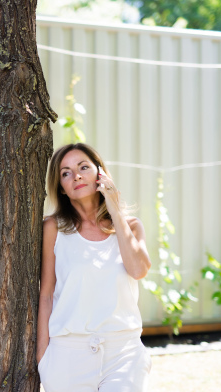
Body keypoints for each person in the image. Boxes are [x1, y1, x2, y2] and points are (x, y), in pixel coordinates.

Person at [37, 143, 152, 392]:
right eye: (66, 173)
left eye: (83, 167)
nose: (76, 176)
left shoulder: (130, 226)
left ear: (101, 173)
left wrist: (114, 209)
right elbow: (46, 294)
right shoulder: (53, 228)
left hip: (124, 352)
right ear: (62, 189)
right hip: (67, 355)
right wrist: (43, 360)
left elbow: (138, 270)